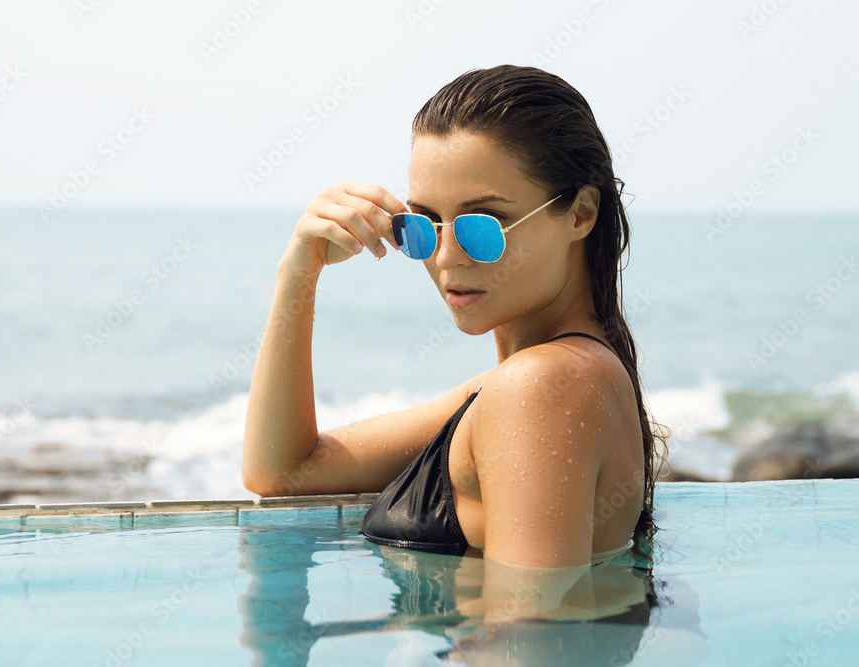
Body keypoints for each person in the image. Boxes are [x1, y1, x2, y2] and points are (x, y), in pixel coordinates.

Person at [242, 64, 667, 572]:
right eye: (422, 224)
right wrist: (298, 272)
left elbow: (527, 639)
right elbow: (283, 470)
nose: (444, 259)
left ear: (580, 214)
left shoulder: (541, 385)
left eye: (482, 225)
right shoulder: (539, 380)